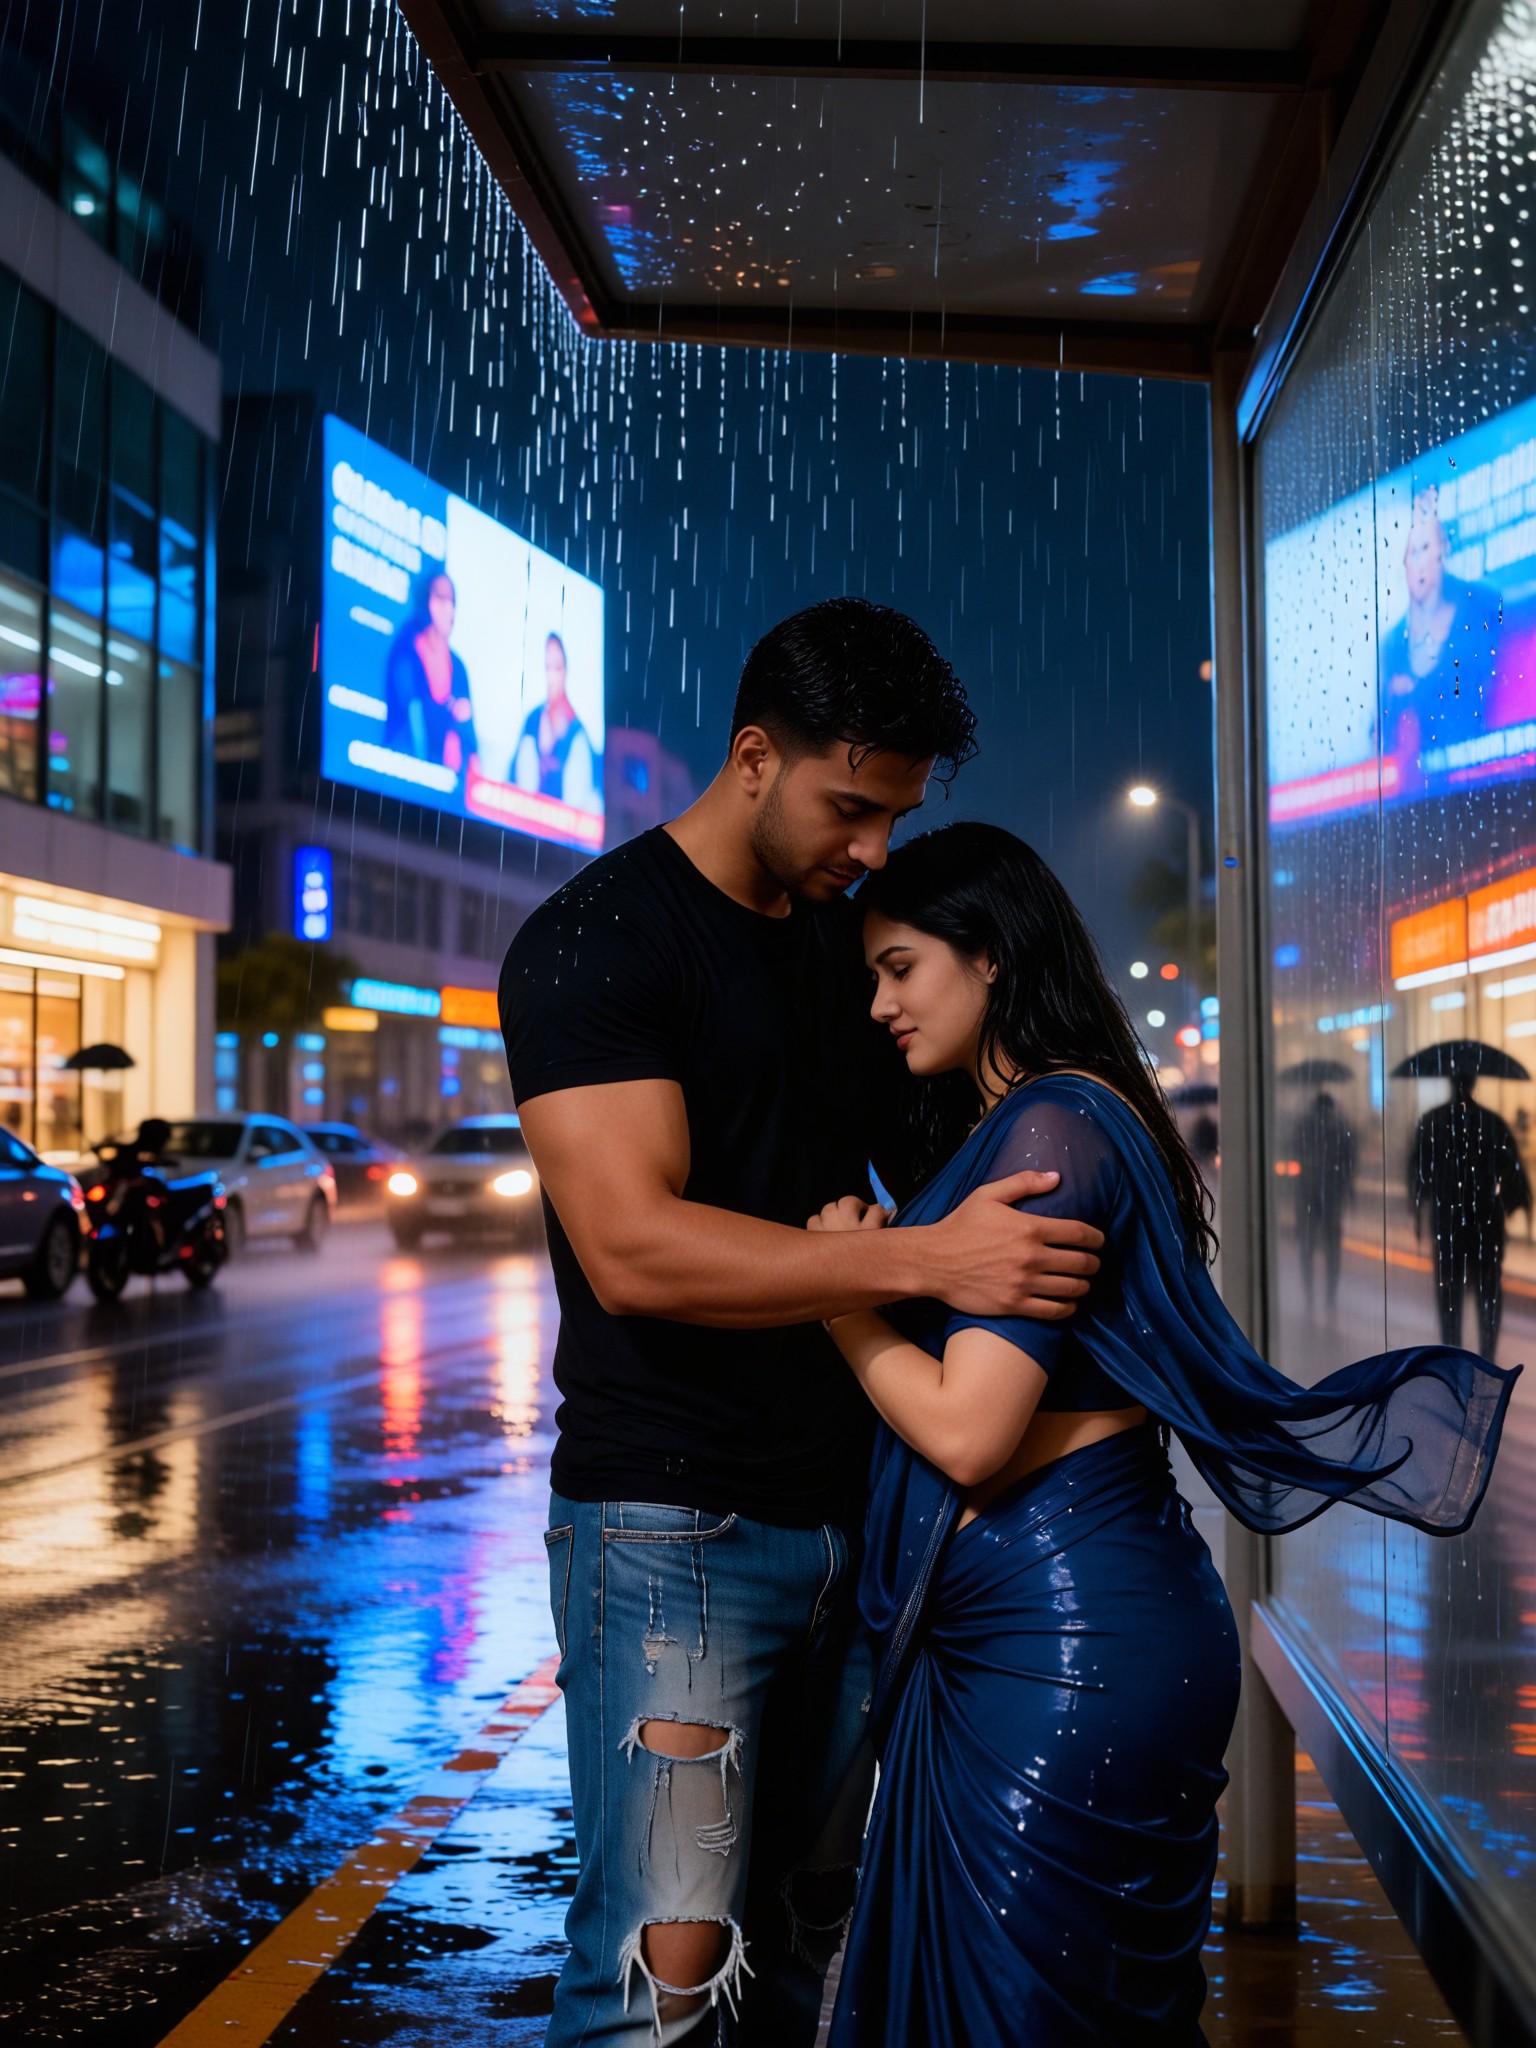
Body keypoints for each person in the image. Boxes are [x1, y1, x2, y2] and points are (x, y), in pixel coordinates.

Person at [498, 600, 1105, 2048]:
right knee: (664, 1977)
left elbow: (968, 1138)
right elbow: (634, 1249)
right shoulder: (598, 941)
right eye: (852, 808)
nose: (875, 849)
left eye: (895, 816)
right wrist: (930, 1265)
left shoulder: (848, 951)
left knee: (798, 1951)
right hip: (672, 1526)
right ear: (754, 757)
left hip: (859, 1515)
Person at [808, 822, 1518, 2048]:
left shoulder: (1047, 1132)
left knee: (1028, 2016)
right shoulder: (1064, 1118)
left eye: (900, 966)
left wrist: (838, 1293)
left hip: (1063, 1645)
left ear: (989, 958)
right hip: (1063, 1626)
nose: (879, 1002)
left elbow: (970, 1434)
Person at [1379, 490, 1501, 791]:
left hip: (1485, 782)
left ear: (1442, 549)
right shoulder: (1393, 642)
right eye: (1410, 553)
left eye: (1425, 547)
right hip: (1416, 798)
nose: (1418, 562)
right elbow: (1381, 738)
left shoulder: (1482, 606)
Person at [1410, 1067, 1531, 1357]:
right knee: (1487, 1297)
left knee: (1450, 1300)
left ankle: (1453, 1365)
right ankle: (1487, 1361)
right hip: (1486, 1228)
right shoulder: (1493, 1124)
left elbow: (1419, 1177)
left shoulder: (1432, 1122)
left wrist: (1420, 1213)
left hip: (1448, 1226)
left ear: (1450, 1083)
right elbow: (1516, 1180)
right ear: (1475, 1083)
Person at [383, 569, 479, 777]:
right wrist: (450, 713)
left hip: (450, 790)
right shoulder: (405, 653)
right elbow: (409, 717)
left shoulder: (459, 667)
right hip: (405, 776)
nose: (448, 608)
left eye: (452, 600)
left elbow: (471, 742)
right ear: (425, 600)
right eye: (441, 598)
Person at [513, 630, 601, 812]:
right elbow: (519, 785)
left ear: (566, 671)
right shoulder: (533, 720)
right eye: (547, 668)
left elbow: (577, 805)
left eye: (557, 668)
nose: (552, 677)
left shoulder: (577, 733)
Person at [1295, 1088, 1355, 1313]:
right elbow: (1348, 1163)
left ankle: (1310, 1295)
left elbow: (1296, 1154)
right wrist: (1347, 1190)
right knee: (1331, 1249)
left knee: (1308, 1248)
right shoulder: (1338, 1129)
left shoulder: (1305, 1126)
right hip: (1329, 1195)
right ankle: (1329, 1296)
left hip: (1310, 1194)